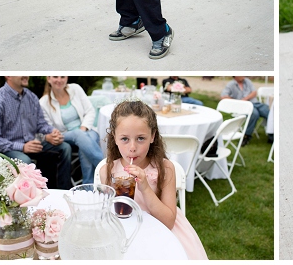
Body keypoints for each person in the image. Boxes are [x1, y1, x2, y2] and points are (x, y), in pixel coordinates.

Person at [99, 100, 208, 259]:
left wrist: (145, 187)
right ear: (114, 138)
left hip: (161, 231)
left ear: (153, 136)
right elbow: (108, 213)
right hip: (127, 235)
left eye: (140, 138)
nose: (132, 147)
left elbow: (168, 222)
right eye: (124, 139)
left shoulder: (166, 169)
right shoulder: (107, 171)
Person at [0, 77, 72, 189]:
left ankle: (62, 192)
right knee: (25, 161)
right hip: (9, 149)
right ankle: (31, 200)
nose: (26, 75)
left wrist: (52, 131)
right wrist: (22, 147)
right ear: (8, 75)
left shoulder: (31, 97)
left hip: (34, 144)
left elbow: (41, 124)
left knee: (64, 148)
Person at [39, 77, 102, 185]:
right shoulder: (43, 102)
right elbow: (47, 127)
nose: (59, 80)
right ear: (49, 78)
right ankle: (107, 169)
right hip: (65, 135)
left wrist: (83, 128)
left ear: (66, 78)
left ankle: (89, 187)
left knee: (85, 141)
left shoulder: (76, 89)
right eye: (55, 76)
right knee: (79, 135)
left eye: (62, 76)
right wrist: (52, 135)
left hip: (87, 129)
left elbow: (90, 111)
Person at [220, 76, 271, 144]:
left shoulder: (247, 81)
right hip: (243, 107)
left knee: (269, 112)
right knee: (254, 114)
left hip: (255, 103)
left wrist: (245, 99)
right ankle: (246, 136)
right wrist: (238, 101)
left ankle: (272, 134)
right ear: (235, 76)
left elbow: (254, 92)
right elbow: (223, 97)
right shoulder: (231, 84)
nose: (243, 75)